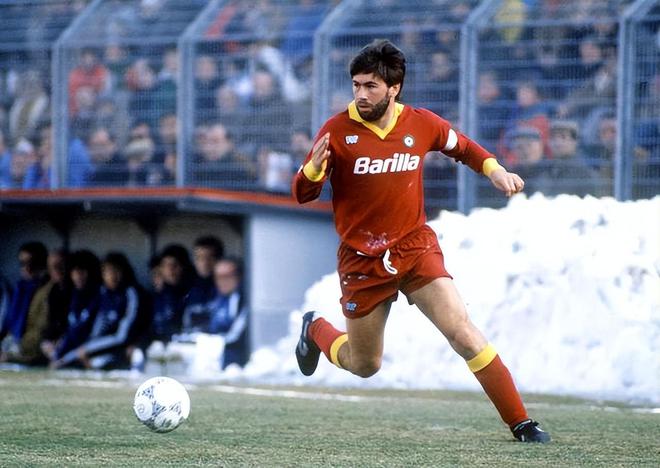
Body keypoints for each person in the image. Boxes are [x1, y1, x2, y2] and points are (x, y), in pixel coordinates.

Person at [292, 39, 550, 443]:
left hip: (414, 248)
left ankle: (521, 423)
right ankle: (315, 330)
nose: (361, 94)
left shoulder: (421, 123)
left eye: (371, 86)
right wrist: (311, 169)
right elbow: (302, 194)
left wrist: (494, 169)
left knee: (463, 332)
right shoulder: (336, 131)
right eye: (356, 85)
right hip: (361, 259)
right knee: (364, 365)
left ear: (394, 88)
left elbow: (462, 147)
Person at [207, 257, 249, 369]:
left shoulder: (244, 299)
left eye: (227, 276)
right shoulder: (217, 297)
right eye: (218, 277)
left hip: (234, 361)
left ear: (239, 276)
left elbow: (235, 335)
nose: (222, 281)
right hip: (215, 356)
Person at [183, 235, 225, 333]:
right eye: (199, 258)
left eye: (210, 258)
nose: (204, 263)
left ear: (220, 259)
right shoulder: (189, 288)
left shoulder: (226, 289)